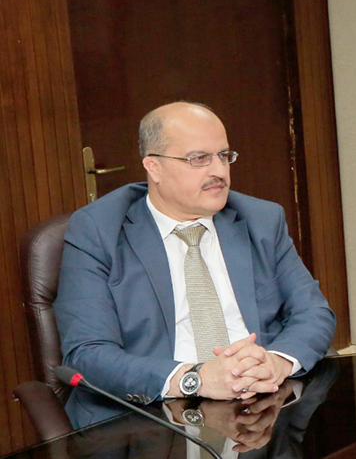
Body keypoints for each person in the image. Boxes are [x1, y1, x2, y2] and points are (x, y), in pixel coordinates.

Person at [55, 102, 336, 427]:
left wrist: (276, 363)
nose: (219, 171)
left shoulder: (261, 219)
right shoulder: (99, 230)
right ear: (154, 167)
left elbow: (314, 313)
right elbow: (87, 354)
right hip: (155, 415)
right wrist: (195, 379)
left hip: (261, 409)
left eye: (224, 156)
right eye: (198, 159)